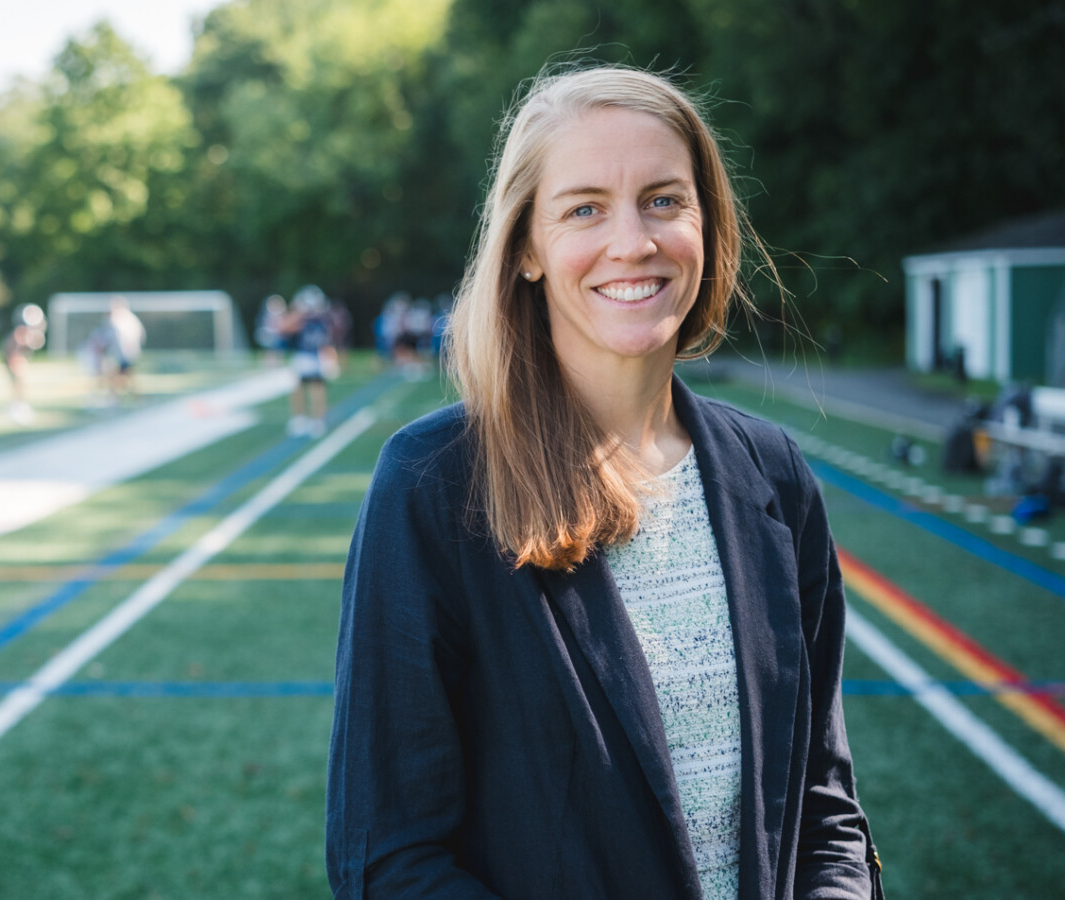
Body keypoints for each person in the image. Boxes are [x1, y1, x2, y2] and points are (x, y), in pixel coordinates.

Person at [326, 66, 883, 900]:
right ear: (525, 249)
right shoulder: (433, 485)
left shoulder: (775, 478)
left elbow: (824, 805)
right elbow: (389, 858)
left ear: (707, 223)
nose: (634, 241)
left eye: (664, 199)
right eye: (585, 208)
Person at [283, 284, 332, 438]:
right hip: (312, 355)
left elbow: (284, 327)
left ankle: (313, 420)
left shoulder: (308, 318)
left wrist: (299, 311)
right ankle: (309, 420)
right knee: (304, 388)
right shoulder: (320, 317)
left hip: (308, 355)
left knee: (312, 388)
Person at [1, 304, 47, 424]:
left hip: (15, 357)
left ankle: (18, 404)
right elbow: (15, 346)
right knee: (20, 382)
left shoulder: (24, 330)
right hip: (14, 357)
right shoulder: (21, 331)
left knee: (20, 383)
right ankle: (17, 406)